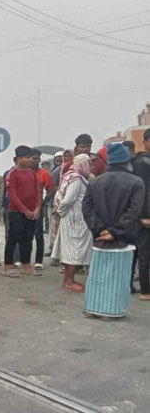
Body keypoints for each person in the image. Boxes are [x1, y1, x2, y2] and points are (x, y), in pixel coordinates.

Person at [83, 143, 144, 304]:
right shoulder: (137, 183)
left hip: (100, 238)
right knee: (121, 274)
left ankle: (95, 306)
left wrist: (100, 230)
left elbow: (87, 208)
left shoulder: (95, 182)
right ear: (126, 160)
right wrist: (115, 231)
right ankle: (113, 308)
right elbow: (134, 211)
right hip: (125, 237)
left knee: (100, 272)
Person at [51, 154, 93, 291]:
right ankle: (69, 281)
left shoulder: (72, 176)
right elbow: (68, 199)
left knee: (72, 249)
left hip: (73, 218)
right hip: (75, 219)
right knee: (75, 249)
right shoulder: (76, 179)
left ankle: (69, 280)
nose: (90, 166)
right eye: (88, 163)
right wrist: (60, 211)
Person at [3, 146, 42, 277]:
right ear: (19, 159)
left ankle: (26, 265)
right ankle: (8, 266)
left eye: (30, 157)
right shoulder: (12, 174)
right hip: (16, 212)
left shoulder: (32, 173)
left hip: (32, 212)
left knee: (28, 238)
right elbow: (12, 195)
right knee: (13, 238)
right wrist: (24, 210)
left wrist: (37, 208)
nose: (30, 160)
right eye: (27, 157)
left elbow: (38, 191)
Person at [130, 130, 150, 301]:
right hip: (143, 216)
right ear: (145, 142)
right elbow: (144, 192)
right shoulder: (143, 162)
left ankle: (129, 286)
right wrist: (143, 216)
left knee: (136, 252)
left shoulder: (138, 161)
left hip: (137, 215)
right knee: (143, 253)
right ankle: (145, 290)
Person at [31, 149, 55, 269]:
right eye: (33, 158)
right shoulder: (23, 173)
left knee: (38, 234)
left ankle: (38, 261)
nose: (35, 161)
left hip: (38, 208)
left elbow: (51, 189)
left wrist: (44, 202)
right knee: (24, 235)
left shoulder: (44, 173)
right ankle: (21, 259)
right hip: (23, 208)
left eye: (37, 158)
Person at [48, 149, 73, 262]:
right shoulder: (58, 170)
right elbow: (53, 188)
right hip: (58, 204)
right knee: (55, 231)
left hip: (72, 206)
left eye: (69, 155)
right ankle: (55, 256)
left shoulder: (76, 169)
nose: (67, 158)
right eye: (65, 156)